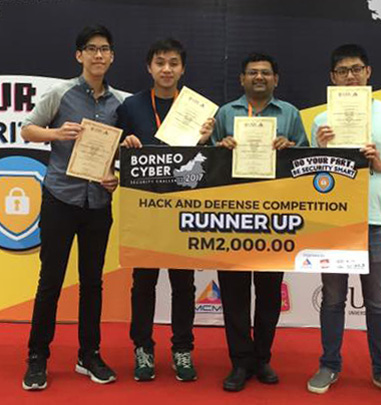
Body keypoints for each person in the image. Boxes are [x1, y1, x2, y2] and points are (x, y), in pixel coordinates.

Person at [307, 44, 381, 401]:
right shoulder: (321, 121)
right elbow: (312, 177)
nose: (350, 76)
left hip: (375, 221)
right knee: (333, 300)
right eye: (342, 71)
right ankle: (329, 364)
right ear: (332, 78)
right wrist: (321, 150)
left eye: (356, 69)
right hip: (335, 221)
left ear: (368, 72)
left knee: (379, 301)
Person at [21, 25, 124, 390]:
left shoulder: (119, 102)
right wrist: (56, 133)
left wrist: (116, 176)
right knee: (50, 281)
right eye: (91, 49)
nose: (99, 55)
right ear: (79, 55)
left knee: (93, 283)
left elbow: (122, 152)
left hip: (98, 202)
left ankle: (89, 354)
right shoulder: (60, 93)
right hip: (60, 198)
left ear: (112, 57)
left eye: (105, 49)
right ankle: (37, 357)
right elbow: (27, 130)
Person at [117, 38, 214, 383]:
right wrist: (125, 145)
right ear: (149, 67)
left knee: (183, 285)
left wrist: (206, 141)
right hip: (144, 210)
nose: (167, 69)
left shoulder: (199, 109)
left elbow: (212, 164)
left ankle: (182, 348)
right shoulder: (131, 106)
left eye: (174, 63)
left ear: (182, 68)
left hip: (183, 209)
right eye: (160, 62)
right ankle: (142, 347)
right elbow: (117, 154)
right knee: (142, 283)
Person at [212, 52, 309, 392]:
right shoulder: (225, 113)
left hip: (275, 217)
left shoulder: (291, 114)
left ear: (276, 79)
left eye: (265, 73)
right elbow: (207, 165)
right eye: (252, 72)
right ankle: (239, 362)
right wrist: (220, 147)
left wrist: (292, 147)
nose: (259, 77)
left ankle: (262, 358)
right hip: (232, 217)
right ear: (241, 79)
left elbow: (306, 163)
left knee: (269, 293)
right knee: (235, 294)